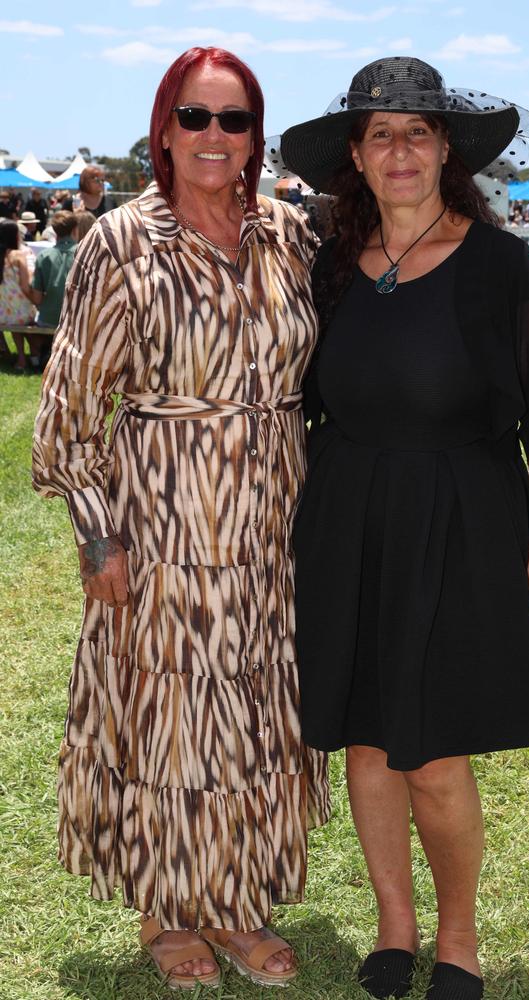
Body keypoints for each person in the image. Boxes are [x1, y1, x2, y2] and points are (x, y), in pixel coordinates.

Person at [32, 46, 328, 992]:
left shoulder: (290, 236)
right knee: (170, 718)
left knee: (251, 712)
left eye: (233, 120)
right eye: (194, 118)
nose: (214, 137)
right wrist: (97, 533)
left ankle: (236, 901)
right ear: (163, 129)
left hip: (276, 519)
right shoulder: (125, 238)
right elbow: (73, 402)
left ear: (256, 135)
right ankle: (168, 911)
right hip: (165, 519)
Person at [281, 56, 529, 1000]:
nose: (398, 149)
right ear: (356, 160)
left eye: (416, 131)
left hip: (462, 527)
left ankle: (458, 940)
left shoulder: (501, 267)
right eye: (379, 134)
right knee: (369, 742)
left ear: (447, 150)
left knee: (436, 754)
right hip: (348, 522)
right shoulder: (329, 268)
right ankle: (392, 931)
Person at [28, 210, 78, 370]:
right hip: (76, 320)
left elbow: (36, 299)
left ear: (54, 230)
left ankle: (41, 355)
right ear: (74, 229)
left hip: (48, 319)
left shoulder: (43, 256)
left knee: (30, 325)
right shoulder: (83, 253)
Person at [0, 220, 36, 370]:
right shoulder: (18, 255)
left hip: (3, 312)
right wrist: (36, 301)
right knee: (30, 318)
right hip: (22, 311)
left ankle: (20, 358)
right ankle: (33, 356)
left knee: (16, 322)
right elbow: (25, 286)